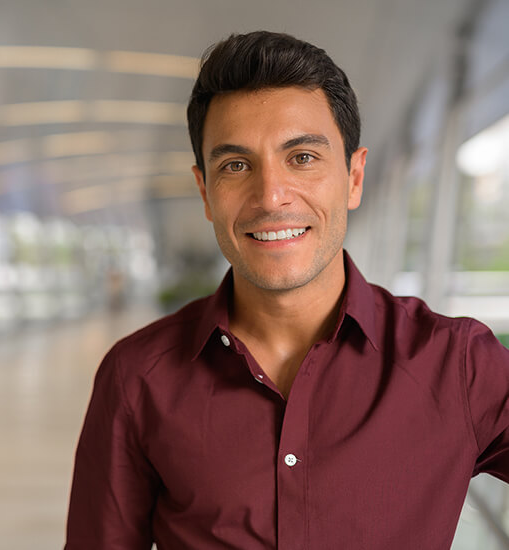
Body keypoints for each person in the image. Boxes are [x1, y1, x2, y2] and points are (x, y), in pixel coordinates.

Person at [64, 31, 509, 549]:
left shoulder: (457, 365)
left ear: (355, 176)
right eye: (235, 165)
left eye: (302, 157)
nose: (271, 196)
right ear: (206, 191)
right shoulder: (138, 377)